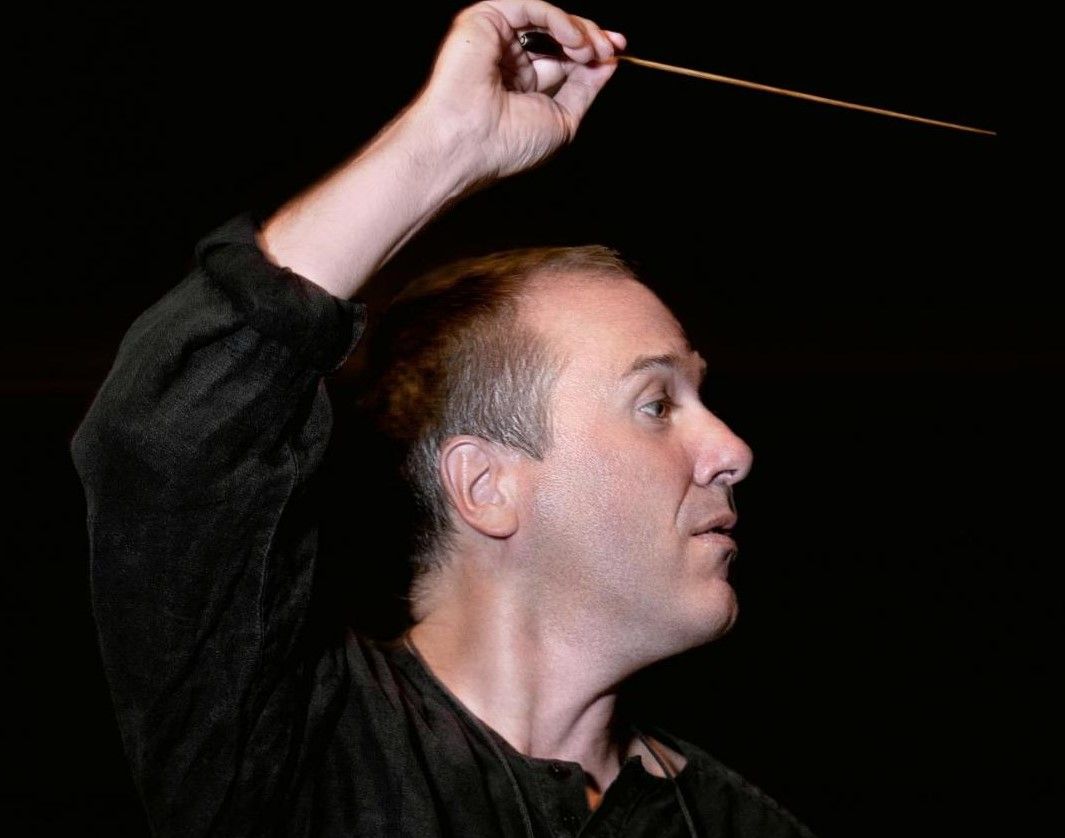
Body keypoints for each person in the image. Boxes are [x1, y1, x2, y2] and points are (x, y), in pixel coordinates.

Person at [72, 1, 818, 835]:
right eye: (655, 404)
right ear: (486, 485)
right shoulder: (301, 752)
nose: (733, 449)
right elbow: (169, 437)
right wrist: (443, 144)